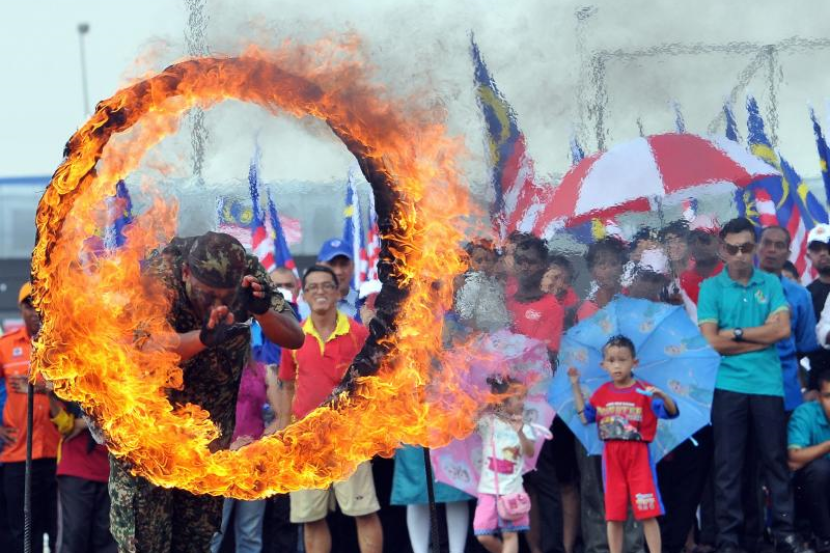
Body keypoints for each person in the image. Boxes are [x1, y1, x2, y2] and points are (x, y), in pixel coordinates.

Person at [109, 232, 304, 553]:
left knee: (196, 541)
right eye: (208, 294)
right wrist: (203, 338)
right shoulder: (160, 276)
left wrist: (262, 311)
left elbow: (295, 336)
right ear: (187, 273)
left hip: (209, 433)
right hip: (149, 432)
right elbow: (145, 350)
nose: (217, 304)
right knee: (145, 541)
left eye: (226, 296)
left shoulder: (248, 272)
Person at [697, 217, 807, 553]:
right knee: (728, 466)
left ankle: (784, 533)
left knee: (774, 460)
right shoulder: (711, 288)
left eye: (746, 247)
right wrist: (761, 338)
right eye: (733, 249)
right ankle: (729, 539)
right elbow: (711, 342)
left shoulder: (770, 283)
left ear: (754, 247)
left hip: (768, 386)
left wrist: (736, 334)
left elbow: (782, 331)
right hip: (728, 386)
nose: (740, 255)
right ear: (722, 250)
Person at [278, 265, 383, 553]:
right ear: (303, 295)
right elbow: (286, 386)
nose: (320, 291)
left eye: (327, 285)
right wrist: (285, 431)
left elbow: (373, 384)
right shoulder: (294, 337)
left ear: (338, 292)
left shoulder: (358, 333)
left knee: (364, 512)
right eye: (313, 287)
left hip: (349, 439)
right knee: (310, 518)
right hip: (306, 441)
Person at [569, 335, 679, 553]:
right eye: (611, 360)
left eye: (622, 360)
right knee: (614, 514)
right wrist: (575, 386)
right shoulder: (601, 393)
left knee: (647, 511)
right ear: (604, 365)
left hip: (638, 456)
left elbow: (671, 412)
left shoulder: (645, 391)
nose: (617, 365)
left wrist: (663, 396)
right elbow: (585, 417)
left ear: (634, 362)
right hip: (611, 457)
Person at [0, 283, 60, 553]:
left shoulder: (63, 346)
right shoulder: (5, 346)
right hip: (17, 455)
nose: (35, 311)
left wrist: (43, 387)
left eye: (40, 306)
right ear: (21, 309)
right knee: (21, 533)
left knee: (58, 531)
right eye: (29, 306)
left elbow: (81, 387)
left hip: (58, 454)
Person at [210, 355, 282, 553]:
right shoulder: (212, 370)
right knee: (214, 532)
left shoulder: (263, 371)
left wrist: (259, 443)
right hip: (222, 460)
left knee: (250, 532)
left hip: (253, 461)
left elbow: (283, 415)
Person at [758, 225, 819, 413]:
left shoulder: (800, 296)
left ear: (787, 253)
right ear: (757, 247)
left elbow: (806, 344)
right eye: (767, 243)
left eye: (779, 245)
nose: (772, 249)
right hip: (746, 393)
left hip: (787, 393)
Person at [474, 376, 536, 553]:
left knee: (510, 534)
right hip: (487, 490)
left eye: (523, 397)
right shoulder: (489, 424)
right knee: (483, 536)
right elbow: (470, 421)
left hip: (511, 491)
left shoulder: (525, 427)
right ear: (504, 400)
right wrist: (487, 402)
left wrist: (520, 432)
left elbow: (530, 452)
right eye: (518, 398)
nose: (522, 402)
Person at [48, 396, 116, 553]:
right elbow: (65, 426)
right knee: (74, 536)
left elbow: (125, 415)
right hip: (76, 468)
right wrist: (49, 395)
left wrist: (83, 423)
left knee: (107, 540)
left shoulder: (123, 386)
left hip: (110, 470)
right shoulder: (68, 384)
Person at [787, 370, 830, 553]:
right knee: (819, 469)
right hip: (809, 499)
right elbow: (793, 459)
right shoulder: (805, 414)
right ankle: (825, 539)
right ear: (819, 398)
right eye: (828, 396)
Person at [680, 219, 722, 323]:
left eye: (704, 239)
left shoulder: (733, 272)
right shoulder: (683, 281)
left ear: (718, 240)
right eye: (692, 240)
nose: (698, 245)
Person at [578, 237, 626, 322]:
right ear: (592, 272)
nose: (608, 270)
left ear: (622, 268)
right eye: (601, 265)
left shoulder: (633, 295)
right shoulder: (587, 311)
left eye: (613, 263)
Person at [807, 224, 830, 393]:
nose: (823, 253)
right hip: (819, 380)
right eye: (817, 249)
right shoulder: (805, 296)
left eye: (827, 247)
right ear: (809, 255)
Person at [317, 239, 359, 319]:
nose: (338, 272)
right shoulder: (303, 310)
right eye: (332, 264)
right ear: (318, 267)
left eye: (343, 264)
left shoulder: (368, 307)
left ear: (353, 267)